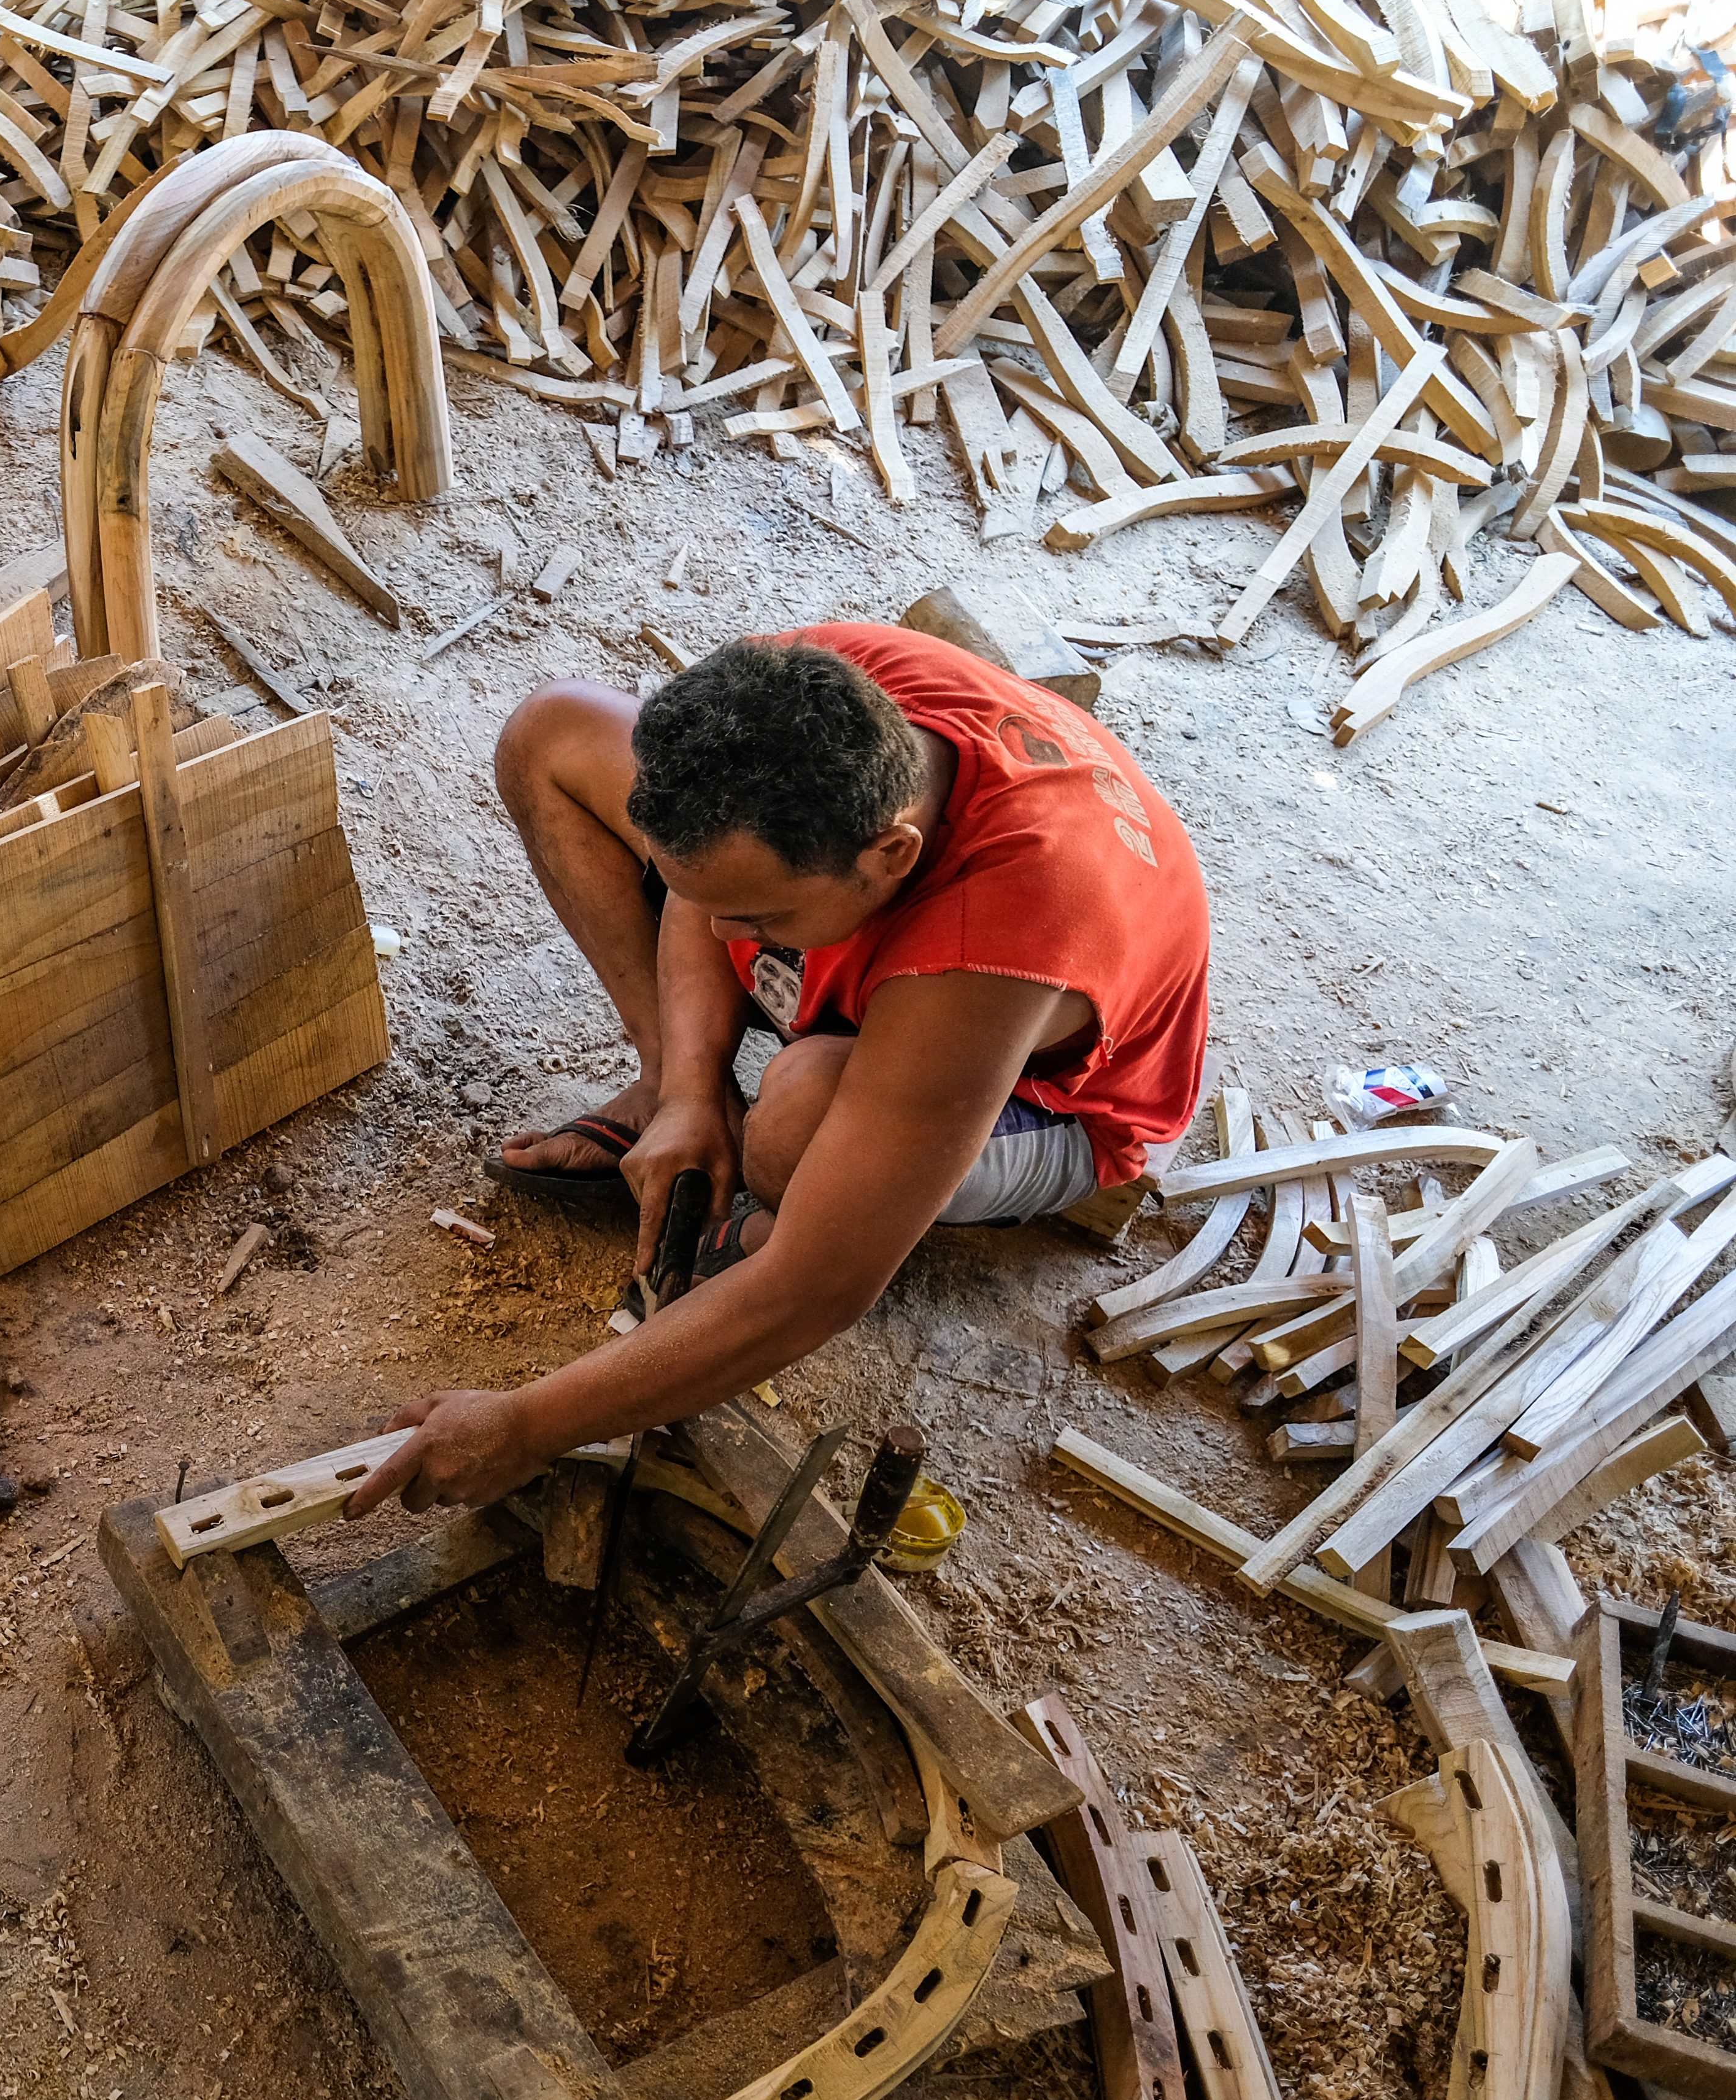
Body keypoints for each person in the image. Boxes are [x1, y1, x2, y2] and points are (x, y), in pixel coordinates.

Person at [349, 623, 1211, 1516]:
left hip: (1054, 1107)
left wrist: (528, 1426)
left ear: (890, 857)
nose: (718, 937)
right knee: (553, 735)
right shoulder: (811, 684)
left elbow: (819, 1292)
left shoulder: (992, 947)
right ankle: (675, 1102)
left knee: (793, 1124)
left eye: (754, 915)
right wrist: (687, 1085)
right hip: (889, 960)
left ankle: (773, 1208)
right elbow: (703, 882)